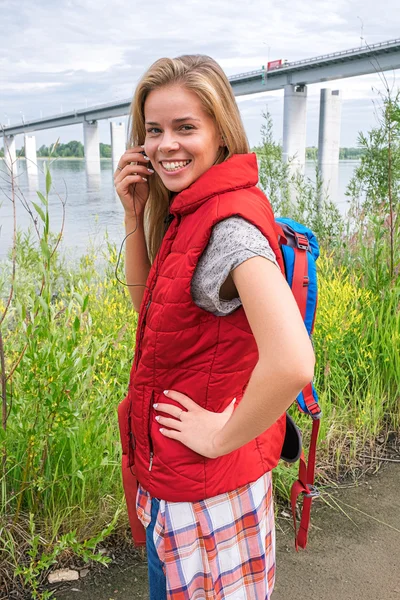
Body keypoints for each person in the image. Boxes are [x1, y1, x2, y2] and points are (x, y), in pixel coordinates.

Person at [114, 54, 315, 600]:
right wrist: (135, 218)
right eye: (153, 130)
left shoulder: (228, 227)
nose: (164, 145)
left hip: (204, 498)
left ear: (221, 134)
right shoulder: (190, 213)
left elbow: (293, 361)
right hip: (182, 482)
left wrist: (219, 435)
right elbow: (149, 314)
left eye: (185, 128)